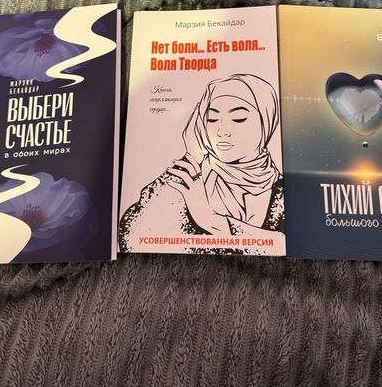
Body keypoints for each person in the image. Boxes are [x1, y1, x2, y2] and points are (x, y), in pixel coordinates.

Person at [119, 74, 284, 254]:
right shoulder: (192, 178)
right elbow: (132, 236)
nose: (222, 131)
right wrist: (192, 156)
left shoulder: (284, 191)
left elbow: (287, 244)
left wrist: (214, 222)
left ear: (267, 121)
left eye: (238, 118)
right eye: (211, 119)